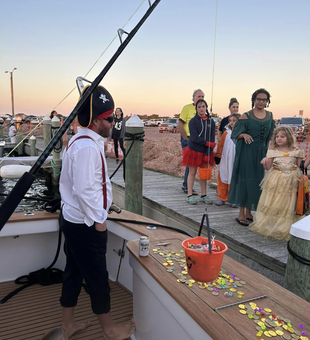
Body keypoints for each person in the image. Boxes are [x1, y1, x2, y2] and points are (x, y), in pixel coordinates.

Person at [59, 85, 135, 340]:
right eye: (110, 118)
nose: (114, 122)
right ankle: (109, 330)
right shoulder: (87, 148)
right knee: (97, 277)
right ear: (95, 121)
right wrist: (100, 222)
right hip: (85, 224)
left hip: (75, 220)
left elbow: (87, 187)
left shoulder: (83, 142)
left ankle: (68, 323)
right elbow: (84, 191)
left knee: (74, 270)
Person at [228, 88, 275, 227]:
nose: (261, 101)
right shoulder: (245, 116)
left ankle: (249, 212)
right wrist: (243, 135)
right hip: (246, 153)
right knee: (245, 181)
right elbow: (234, 133)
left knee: (256, 182)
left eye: (264, 99)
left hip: (261, 154)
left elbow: (272, 135)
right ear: (254, 100)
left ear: (267, 101)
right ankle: (241, 214)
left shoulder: (270, 116)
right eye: (259, 99)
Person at [250, 126, 304, 240]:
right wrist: (265, 161)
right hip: (276, 180)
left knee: (287, 202)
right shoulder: (272, 152)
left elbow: (301, 167)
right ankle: (271, 224)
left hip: (291, 181)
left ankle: (283, 226)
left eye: (282, 137)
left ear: (289, 137)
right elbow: (268, 167)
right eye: (277, 137)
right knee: (274, 201)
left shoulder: (296, 151)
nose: (279, 139)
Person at [181, 99, 216, 205]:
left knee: (203, 174)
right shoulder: (193, 121)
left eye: (203, 106)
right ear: (196, 109)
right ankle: (190, 194)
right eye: (199, 107)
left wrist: (208, 152)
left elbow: (212, 139)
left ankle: (204, 195)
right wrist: (207, 144)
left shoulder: (211, 122)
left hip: (205, 151)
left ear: (206, 108)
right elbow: (194, 137)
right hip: (194, 150)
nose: (201, 109)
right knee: (192, 172)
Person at [178, 89, 205, 195]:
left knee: (197, 164)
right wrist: (185, 138)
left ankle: (188, 185)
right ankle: (187, 187)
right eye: (199, 97)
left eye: (202, 97)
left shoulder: (202, 110)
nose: (201, 99)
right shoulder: (187, 108)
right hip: (189, 139)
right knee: (190, 163)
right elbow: (180, 124)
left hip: (199, 140)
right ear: (193, 98)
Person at [214, 113, 241, 206]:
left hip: (235, 160)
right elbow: (220, 145)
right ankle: (222, 197)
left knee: (234, 178)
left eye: (234, 120)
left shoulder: (241, 134)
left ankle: (234, 199)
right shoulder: (226, 133)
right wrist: (218, 155)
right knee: (223, 175)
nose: (232, 122)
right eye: (230, 121)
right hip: (225, 159)